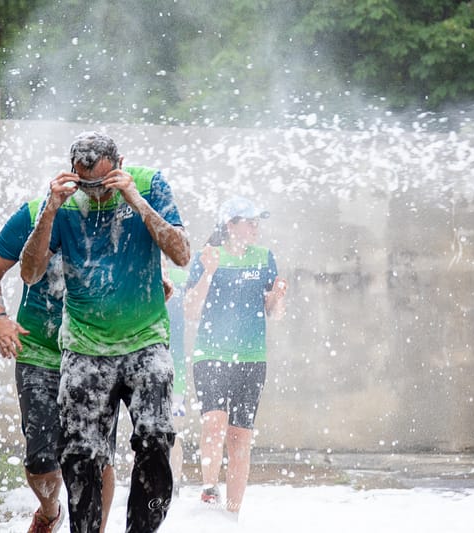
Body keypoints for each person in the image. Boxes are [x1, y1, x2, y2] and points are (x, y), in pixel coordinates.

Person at [19, 131, 190, 533]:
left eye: (101, 183)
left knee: (154, 439)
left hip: (145, 341)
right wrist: (50, 209)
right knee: (80, 454)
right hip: (84, 347)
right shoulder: (62, 204)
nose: (93, 193)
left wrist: (135, 200)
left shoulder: (148, 183)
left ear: (119, 165)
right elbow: (30, 273)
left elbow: (181, 253)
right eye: (85, 184)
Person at [0, 197, 122, 533]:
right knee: (41, 459)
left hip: (97, 354)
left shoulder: (120, 215)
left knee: (97, 458)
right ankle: (50, 509)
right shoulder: (35, 213)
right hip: (39, 353)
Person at [184, 196, 287, 515]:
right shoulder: (208, 256)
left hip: (251, 358)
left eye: (258, 222)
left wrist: (278, 297)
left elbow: (275, 313)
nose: (256, 227)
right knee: (215, 421)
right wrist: (209, 273)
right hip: (212, 354)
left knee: (240, 436)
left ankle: (232, 514)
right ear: (230, 225)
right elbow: (190, 311)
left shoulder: (264, 258)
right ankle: (209, 487)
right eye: (249, 221)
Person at [165, 262, 190, 494]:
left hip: (176, 370)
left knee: (174, 429)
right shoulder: (141, 273)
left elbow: (193, 311)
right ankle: (144, 486)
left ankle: (175, 487)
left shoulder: (181, 278)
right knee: (142, 430)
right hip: (144, 363)